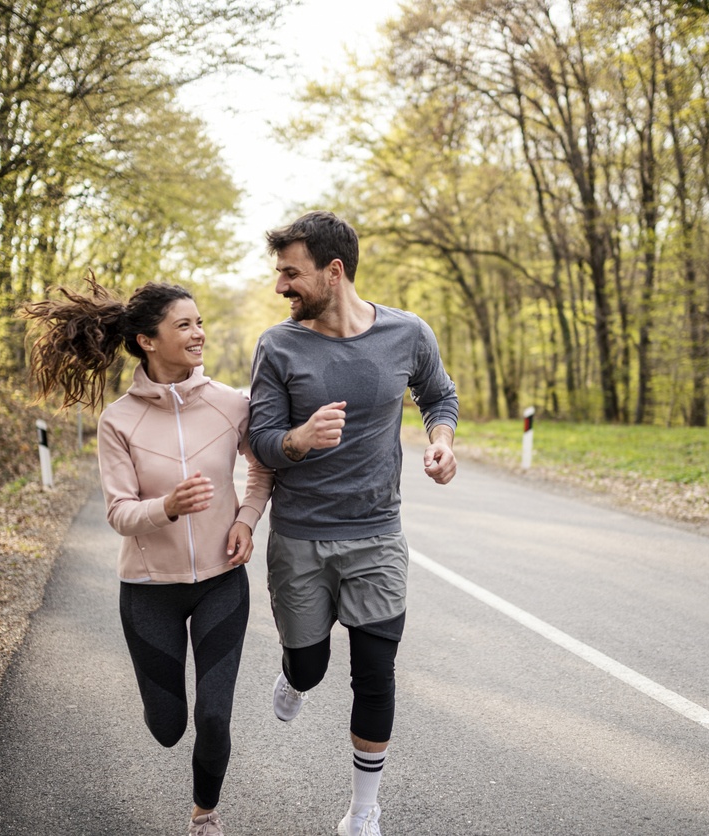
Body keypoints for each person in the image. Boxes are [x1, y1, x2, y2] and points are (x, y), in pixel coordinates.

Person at [22, 276, 272, 836]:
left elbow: (262, 470)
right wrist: (168, 507)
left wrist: (245, 520)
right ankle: (165, 717)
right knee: (167, 727)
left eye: (200, 322)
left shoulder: (233, 404)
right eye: (184, 325)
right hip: (148, 591)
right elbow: (119, 514)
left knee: (213, 714)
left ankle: (205, 815)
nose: (199, 333)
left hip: (221, 581)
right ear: (146, 341)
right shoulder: (119, 421)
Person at [247, 211, 459, 836]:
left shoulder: (406, 333)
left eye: (291, 273)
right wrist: (300, 441)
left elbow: (438, 395)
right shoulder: (277, 346)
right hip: (300, 536)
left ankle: (364, 809)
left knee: (375, 672)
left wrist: (441, 441)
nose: (281, 286)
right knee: (310, 666)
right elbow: (259, 441)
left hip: (376, 533)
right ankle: (294, 676)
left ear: (332, 272)